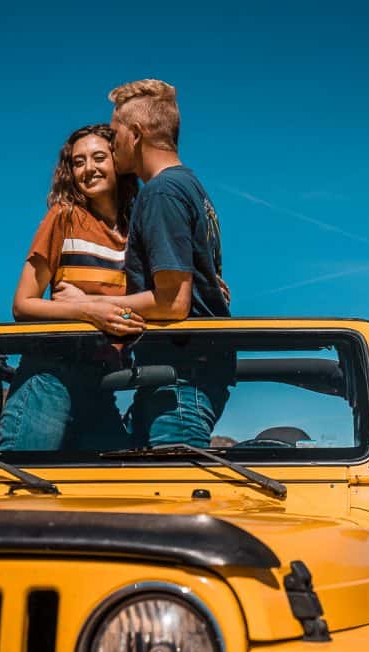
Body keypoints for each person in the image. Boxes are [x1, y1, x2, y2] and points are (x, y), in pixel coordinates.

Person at [55, 79, 231, 448]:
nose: (113, 143)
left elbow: (173, 302)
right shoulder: (192, 189)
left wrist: (83, 306)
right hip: (184, 377)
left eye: (116, 134)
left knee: (170, 500)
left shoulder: (162, 193)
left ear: (135, 134)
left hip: (180, 382)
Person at [0, 124, 145, 452]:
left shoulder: (135, 234)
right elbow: (23, 304)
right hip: (49, 378)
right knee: (27, 486)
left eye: (98, 157)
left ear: (118, 161)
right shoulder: (64, 217)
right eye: (78, 162)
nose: (88, 168)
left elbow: (145, 305)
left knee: (115, 484)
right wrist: (89, 309)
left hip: (102, 381)